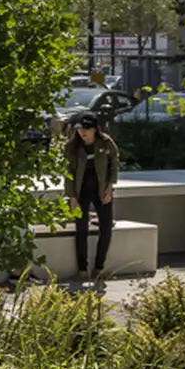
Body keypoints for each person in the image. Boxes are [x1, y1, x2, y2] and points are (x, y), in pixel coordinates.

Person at [65, 114, 121, 283]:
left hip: (101, 190)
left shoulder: (105, 143)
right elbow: (68, 172)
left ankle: (99, 267)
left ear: (95, 130)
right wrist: (72, 197)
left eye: (87, 129)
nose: (83, 133)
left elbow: (114, 164)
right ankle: (82, 269)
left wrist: (109, 188)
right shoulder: (72, 147)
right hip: (81, 191)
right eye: (80, 129)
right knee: (81, 230)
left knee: (106, 228)